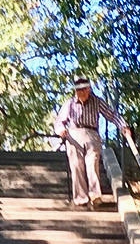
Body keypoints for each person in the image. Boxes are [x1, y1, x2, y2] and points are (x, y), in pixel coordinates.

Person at [53, 76, 129, 208]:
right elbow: (60, 120)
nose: (81, 92)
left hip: (92, 134)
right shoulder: (69, 103)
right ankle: (81, 198)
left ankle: (95, 195)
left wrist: (123, 126)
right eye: (78, 90)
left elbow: (112, 114)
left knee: (92, 163)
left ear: (89, 89)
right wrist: (60, 129)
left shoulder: (97, 101)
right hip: (73, 134)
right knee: (76, 166)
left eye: (83, 89)